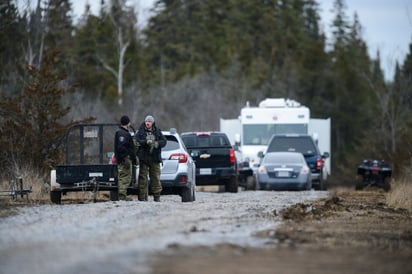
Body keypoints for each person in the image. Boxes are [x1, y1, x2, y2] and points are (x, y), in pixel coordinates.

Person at [136, 115, 166, 202]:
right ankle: (142, 197)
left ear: (152, 123)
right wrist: (145, 142)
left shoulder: (157, 131)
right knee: (142, 178)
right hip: (144, 158)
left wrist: (156, 144)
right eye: (146, 121)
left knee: (155, 178)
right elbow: (136, 141)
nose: (147, 123)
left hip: (154, 158)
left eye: (149, 121)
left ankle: (157, 197)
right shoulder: (140, 132)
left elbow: (164, 141)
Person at [114, 115, 136, 201]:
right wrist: (126, 156)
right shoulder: (122, 133)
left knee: (124, 176)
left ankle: (122, 195)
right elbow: (121, 147)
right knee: (125, 177)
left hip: (123, 158)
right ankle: (122, 196)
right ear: (127, 123)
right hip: (124, 159)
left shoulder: (122, 132)